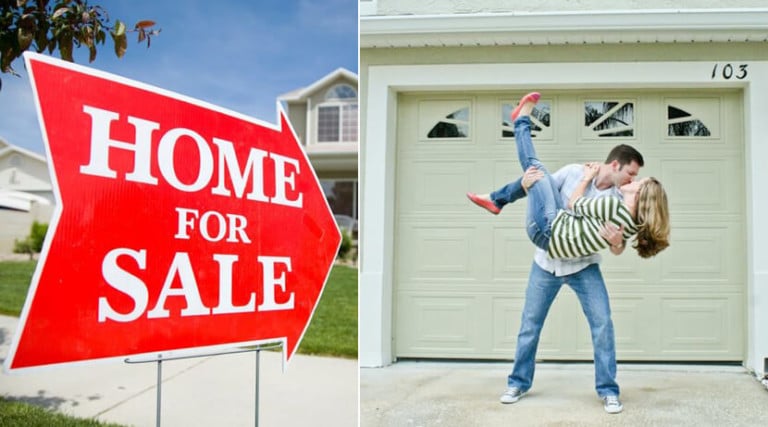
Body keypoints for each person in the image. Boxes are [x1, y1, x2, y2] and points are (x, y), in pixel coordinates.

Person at [467, 92, 653, 414]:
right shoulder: (574, 173)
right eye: (631, 173)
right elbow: (542, 193)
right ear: (615, 165)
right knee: (530, 325)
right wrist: (525, 184)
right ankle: (517, 383)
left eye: (635, 177)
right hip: (547, 261)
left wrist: (616, 242)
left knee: (603, 324)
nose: (632, 179)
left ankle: (608, 390)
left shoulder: (622, 204)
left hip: (584, 266)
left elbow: (619, 249)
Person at [504, 94, 670, 259]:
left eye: (638, 181)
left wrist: (588, 177)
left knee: (536, 170)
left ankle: (521, 120)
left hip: (549, 232)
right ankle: (497, 199)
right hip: (557, 241)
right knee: (541, 177)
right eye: (633, 174)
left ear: (640, 194)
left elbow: (573, 203)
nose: (633, 180)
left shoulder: (613, 207)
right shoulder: (632, 225)